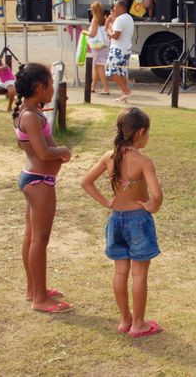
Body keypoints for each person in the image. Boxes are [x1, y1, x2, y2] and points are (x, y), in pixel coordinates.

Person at [81, 107, 164, 337]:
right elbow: (156, 194)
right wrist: (151, 207)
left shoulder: (109, 157)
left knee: (120, 272)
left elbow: (86, 182)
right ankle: (139, 324)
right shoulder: (144, 161)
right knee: (139, 275)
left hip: (116, 220)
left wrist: (108, 203)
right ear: (141, 132)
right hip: (138, 221)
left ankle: (124, 319)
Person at [13, 63, 73, 313]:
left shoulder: (27, 112)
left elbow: (26, 146)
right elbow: (43, 152)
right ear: (40, 88)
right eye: (50, 84)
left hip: (34, 179)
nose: (52, 89)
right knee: (40, 239)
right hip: (40, 183)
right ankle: (40, 298)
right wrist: (64, 151)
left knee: (32, 237)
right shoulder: (30, 116)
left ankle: (33, 289)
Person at [105, 0, 134, 102]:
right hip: (126, 49)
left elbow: (115, 35)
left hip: (118, 49)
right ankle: (124, 94)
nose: (114, 9)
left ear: (121, 8)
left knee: (112, 71)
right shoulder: (129, 18)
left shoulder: (120, 19)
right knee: (121, 72)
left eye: (115, 7)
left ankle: (126, 91)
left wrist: (109, 31)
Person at [88, 1, 111, 95]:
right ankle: (93, 86)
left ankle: (106, 88)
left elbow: (92, 34)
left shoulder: (95, 19)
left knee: (99, 66)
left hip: (97, 46)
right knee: (97, 67)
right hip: (104, 45)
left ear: (93, 10)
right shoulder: (104, 18)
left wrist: (85, 32)